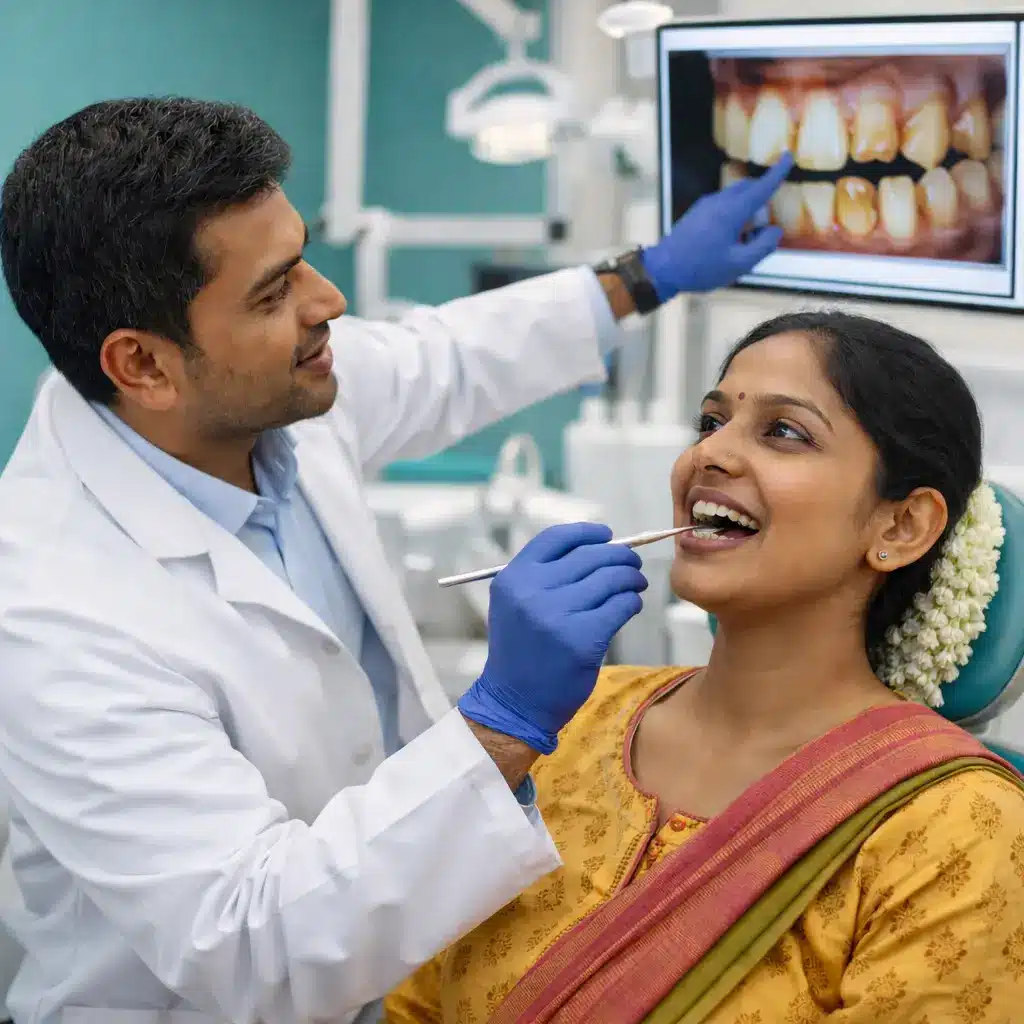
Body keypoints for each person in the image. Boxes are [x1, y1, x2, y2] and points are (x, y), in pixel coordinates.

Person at [0, 97, 790, 1024]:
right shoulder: (50, 612)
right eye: (273, 291)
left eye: (301, 257)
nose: (327, 303)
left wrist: (647, 275)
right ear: (141, 365)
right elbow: (256, 946)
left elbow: (446, 359)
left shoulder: (254, 397)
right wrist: (504, 720)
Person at [385, 310, 1024, 1024]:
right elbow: (414, 995)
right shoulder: (566, 720)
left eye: (785, 431)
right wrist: (496, 731)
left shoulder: (956, 830)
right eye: (709, 421)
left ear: (900, 527)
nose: (709, 456)